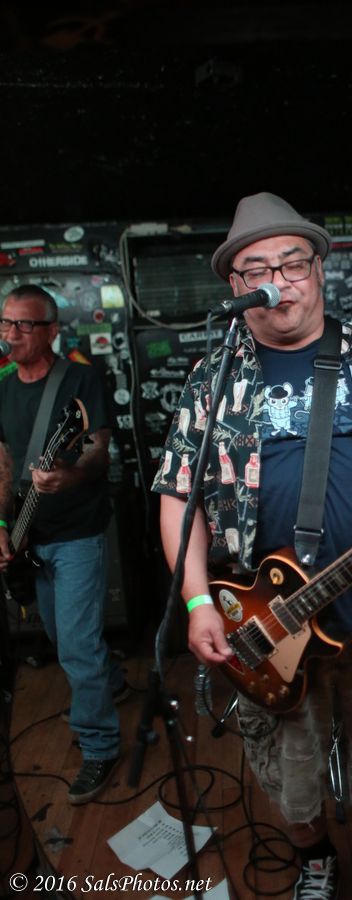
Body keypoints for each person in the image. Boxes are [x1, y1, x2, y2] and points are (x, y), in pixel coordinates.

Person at [153, 192, 352, 900]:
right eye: (257, 270)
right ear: (236, 286)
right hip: (266, 626)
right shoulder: (214, 377)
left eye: (293, 263)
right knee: (288, 780)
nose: (279, 281)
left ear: (319, 268)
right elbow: (179, 496)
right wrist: (198, 600)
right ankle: (317, 860)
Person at [0, 284, 128, 804]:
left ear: (52, 330)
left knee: (75, 644)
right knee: (59, 634)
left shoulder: (79, 379)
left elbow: (97, 452)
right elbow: (3, 461)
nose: (10, 334)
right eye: (5, 323)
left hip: (77, 532)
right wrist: (1, 522)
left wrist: (66, 476)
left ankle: (99, 745)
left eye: (23, 325)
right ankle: (110, 680)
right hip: (30, 532)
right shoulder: (3, 385)